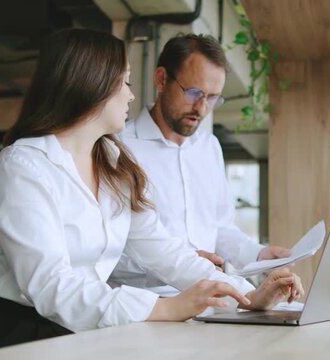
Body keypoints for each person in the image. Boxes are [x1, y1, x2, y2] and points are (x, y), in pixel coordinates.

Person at [0, 28, 303, 355]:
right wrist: (165, 307)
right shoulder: (22, 167)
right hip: (21, 338)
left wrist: (249, 296)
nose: (131, 94)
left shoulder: (112, 162)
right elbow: (52, 286)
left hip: (84, 330)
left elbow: (167, 251)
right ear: (90, 84)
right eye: (124, 82)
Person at [110, 34, 291, 292]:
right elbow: (110, 248)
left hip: (210, 300)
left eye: (213, 97)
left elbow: (219, 228)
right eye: (194, 92)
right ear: (161, 79)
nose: (202, 108)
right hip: (145, 306)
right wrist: (184, 267)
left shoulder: (209, 148)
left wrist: (259, 255)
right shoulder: (118, 147)